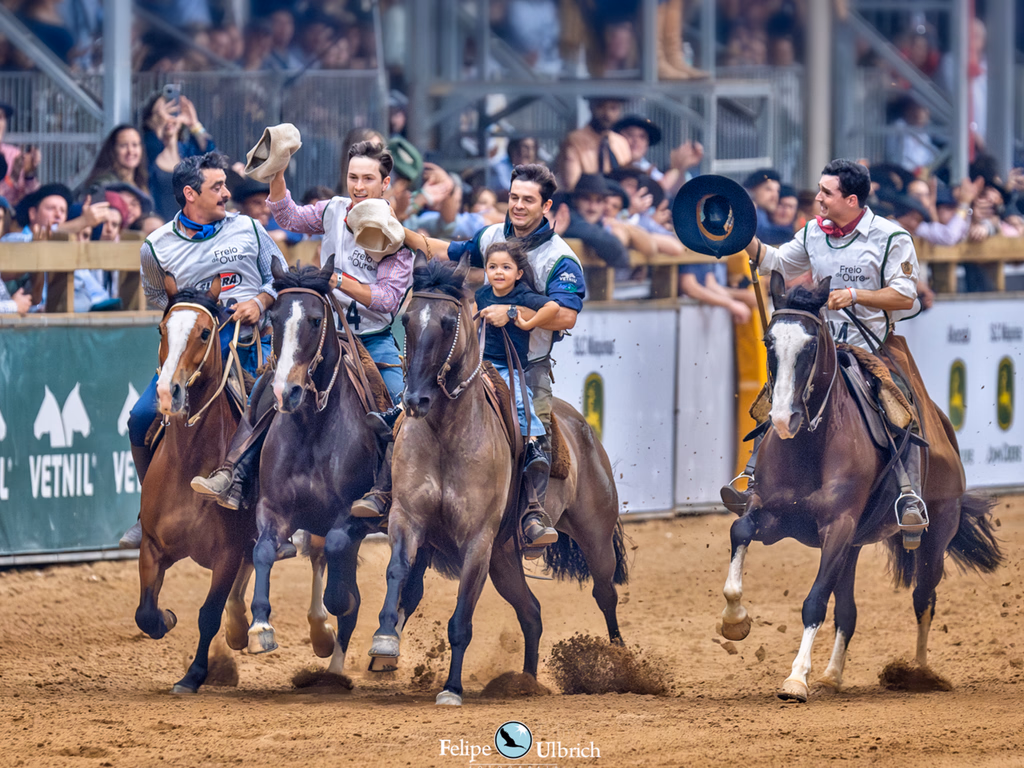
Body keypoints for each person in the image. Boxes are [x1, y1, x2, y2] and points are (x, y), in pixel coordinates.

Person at [724, 159, 961, 546]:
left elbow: (904, 294)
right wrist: (740, 237)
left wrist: (855, 295)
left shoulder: (891, 237)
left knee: (900, 408)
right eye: (819, 190)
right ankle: (752, 478)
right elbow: (775, 261)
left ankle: (909, 494)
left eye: (826, 192)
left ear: (851, 199)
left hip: (874, 347)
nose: (817, 198)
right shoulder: (813, 233)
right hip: (822, 348)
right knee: (776, 396)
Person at [191, 140, 413, 512]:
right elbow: (287, 216)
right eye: (353, 177)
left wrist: (337, 280)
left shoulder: (398, 236)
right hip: (323, 334)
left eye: (368, 179)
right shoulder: (333, 210)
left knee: (402, 407)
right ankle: (233, 472)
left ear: (385, 183)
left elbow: (388, 300)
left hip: (373, 340)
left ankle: (387, 493)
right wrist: (277, 169)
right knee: (268, 385)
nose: (358, 186)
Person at [389, 163, 584, 530]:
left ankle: (533, 513)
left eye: (529, 200)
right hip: (478, 361)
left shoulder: (561, 258)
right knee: (408, 408)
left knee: (535, 432)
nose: (519, 206)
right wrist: (398, 232)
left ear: (546, 206)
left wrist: (512, 312)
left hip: (529, 367)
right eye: (514, 197)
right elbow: (445, 250)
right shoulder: (492, 234)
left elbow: (567, 317)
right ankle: (390, 491)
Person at [119, 152, 286, 549]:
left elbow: (281, 278)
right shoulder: (156, 247)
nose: (228, 193)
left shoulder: (249, 228)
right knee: (141, 417)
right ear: (190, 194)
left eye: (225, 185)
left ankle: (271, 520)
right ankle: (148, 511)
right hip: (195, 350)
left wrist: (260, 303)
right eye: (217, 187)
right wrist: (192, 325)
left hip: (251, 347)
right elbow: (158, 297)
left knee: (273, 421)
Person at [474, 241, 560, 549]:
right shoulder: (480, 295)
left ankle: (533, 445)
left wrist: (523, 319)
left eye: (506, 267)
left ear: (518, 273)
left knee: (520, 403)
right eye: (493, 267)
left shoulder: (523, 296)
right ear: (486, 270)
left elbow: (552, 307)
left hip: (508, 367)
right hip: (479, 363)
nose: (499, 272)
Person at [557, 97, 631, 192]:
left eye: (613, 108)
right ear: (591, 107)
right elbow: (572, 186)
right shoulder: (574, 141)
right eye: (601, 107)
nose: (607, 114)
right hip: (587, 201)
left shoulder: (621, 143)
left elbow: (628, 181)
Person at [81, 125, 150, 198]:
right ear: (113, 150)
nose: (130, 151)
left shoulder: (141, 182)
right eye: (123, 145)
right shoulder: (104, 184)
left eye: (135, 145)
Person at [0, 103, 40, 206]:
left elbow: (33, 201)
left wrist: (29, 175)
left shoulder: (14, 155)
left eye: (1, 117)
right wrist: (11, 180)